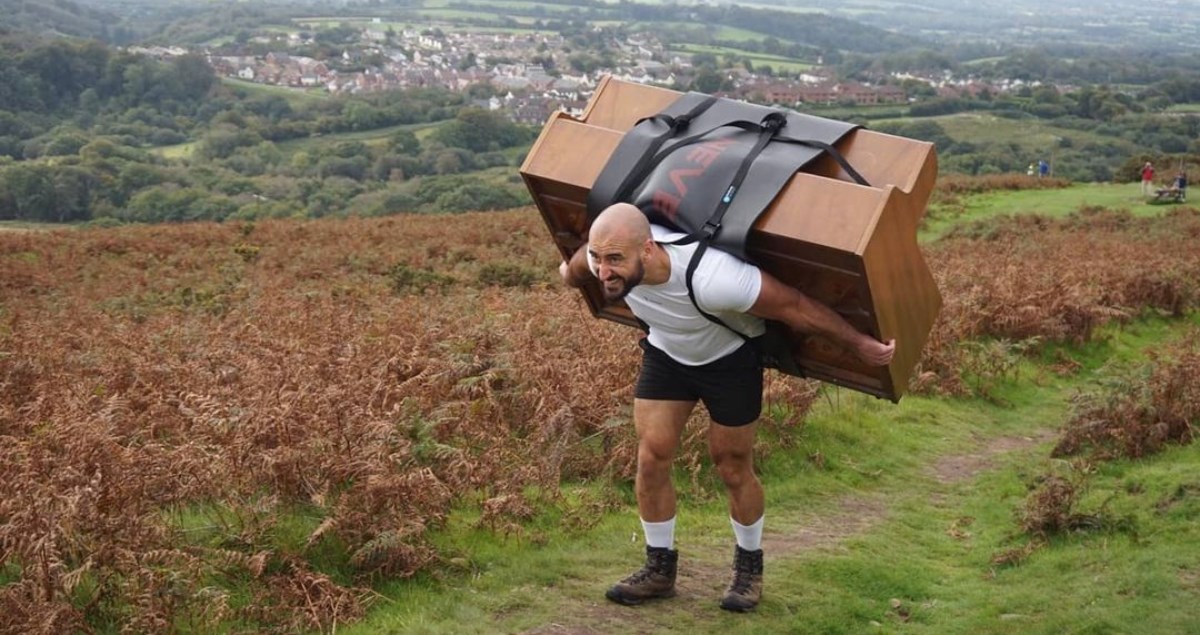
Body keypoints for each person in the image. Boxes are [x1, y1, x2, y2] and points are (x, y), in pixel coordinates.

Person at [558, 203, 895, 613]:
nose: (604, 271)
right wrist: (570, 271)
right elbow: (576, 267)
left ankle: (748, 567)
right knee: (651, 457)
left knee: (732, 464)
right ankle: (659, 568)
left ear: (648, 250)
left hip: (730, 362)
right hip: (667, 356)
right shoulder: (598, 262)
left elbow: (795, 307)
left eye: (615, 260)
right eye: (598, 258)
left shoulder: (714, 277)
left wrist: (860, 344)